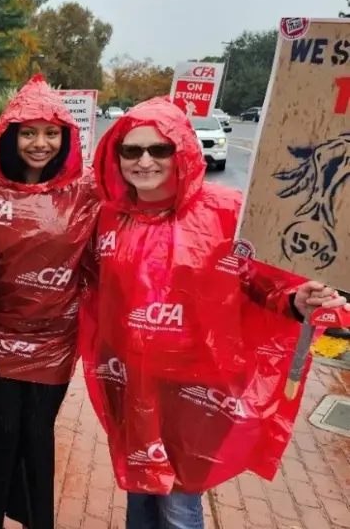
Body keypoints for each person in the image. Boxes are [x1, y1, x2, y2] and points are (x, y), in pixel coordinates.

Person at [80, 97, 350, 529]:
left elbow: (263, 279)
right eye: (131, 150)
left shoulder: (226, 211)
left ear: (181, 151)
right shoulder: (110, 216)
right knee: (138, 481)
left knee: (181, 499)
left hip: (197, 383)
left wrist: (296, 299)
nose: (144, 161)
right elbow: (89, 280)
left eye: (158, 149)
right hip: (130, 377)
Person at [0, 76, 101, 529]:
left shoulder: (85, 190)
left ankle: (36, 519)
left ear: (66, 137)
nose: (39, 143)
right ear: (10, 135)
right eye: (28, 132)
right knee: (4, 428)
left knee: (38, 431)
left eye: (50, 133)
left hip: (55, 336)